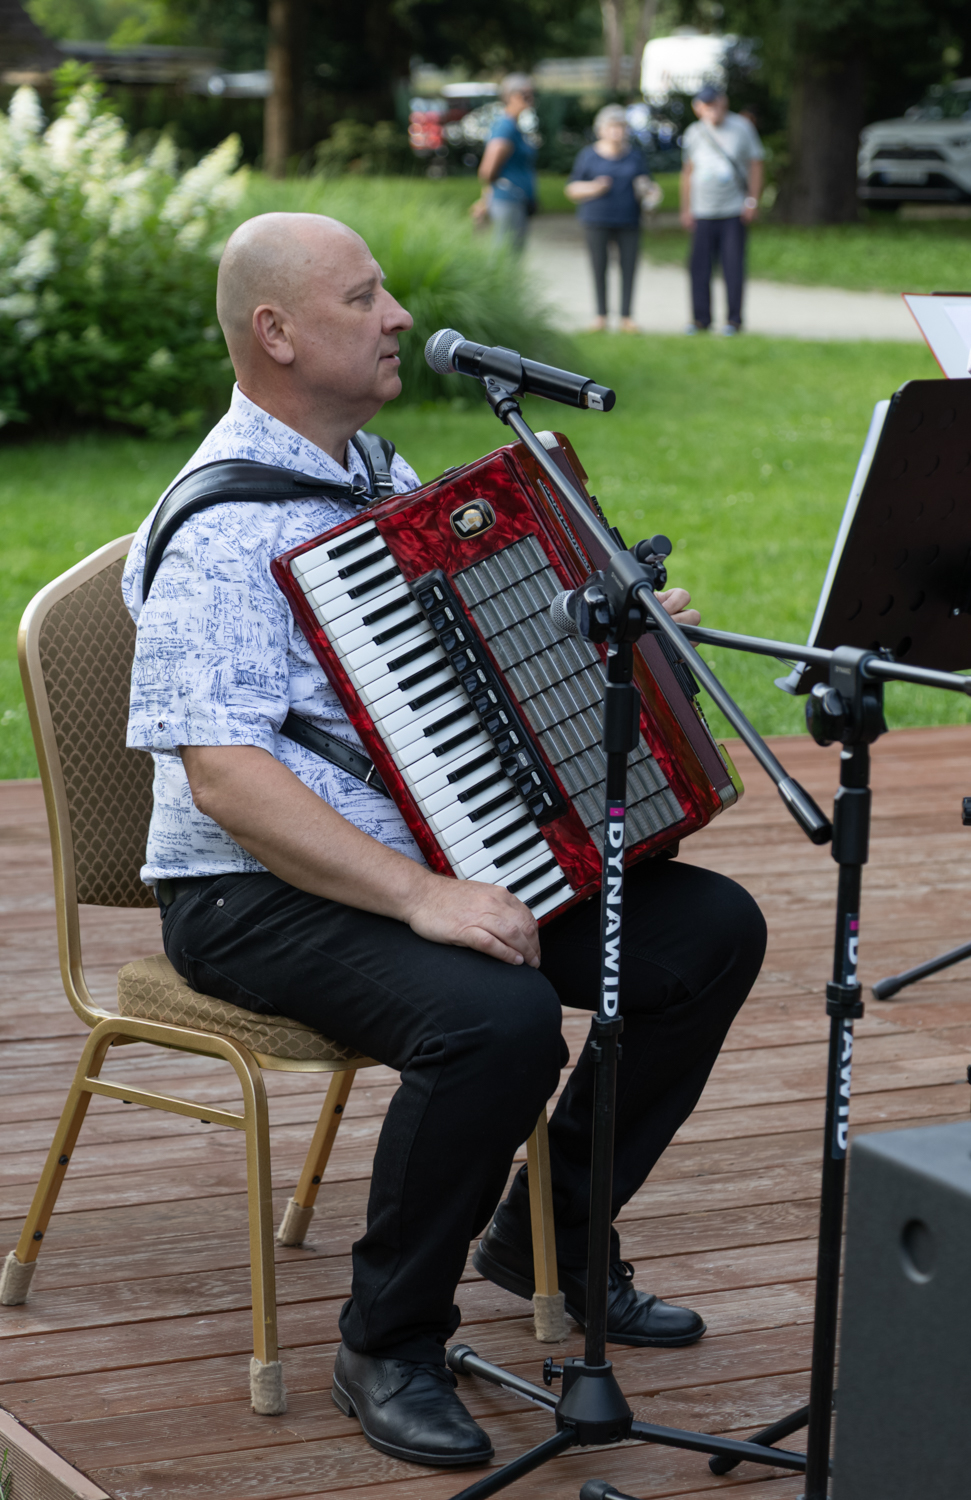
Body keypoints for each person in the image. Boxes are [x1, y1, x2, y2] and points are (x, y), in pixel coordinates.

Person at [121, 211, 767, 1470]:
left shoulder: (371, 472)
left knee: (705, 933)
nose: (399, 317)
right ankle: (388, 1341)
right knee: (494, 1018)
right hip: (248, 890)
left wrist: (615, 639)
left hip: (436, 848)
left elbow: (454, 663)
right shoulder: (219, 531)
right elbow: (228, 778)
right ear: (277, 332)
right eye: (363, 297)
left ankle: (547, 1232)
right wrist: (422, 896)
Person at [565, 104, 662, 333]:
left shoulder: (635, 156)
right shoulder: (588, 156)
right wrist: (594, 187)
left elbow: (646, 183)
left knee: (629, 267)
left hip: (629, 219)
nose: (616, 131)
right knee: (599, 267)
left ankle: (627, 317)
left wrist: (650, 191)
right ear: (601, 130)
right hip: (596, 219)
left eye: (621, 126)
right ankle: (601, 316)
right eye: (611, 127)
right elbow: (571, 189)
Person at [680, 83, 764, 335]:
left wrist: (752, 200)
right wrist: (686, 208)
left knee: (733, 266)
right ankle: (700, 319)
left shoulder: (742, 127)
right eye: (706, 105)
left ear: (723, 102)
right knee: (699, 268)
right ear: (697, 108)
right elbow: (688, 172)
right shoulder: (694, 132)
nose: (711, 109)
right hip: (702, 211)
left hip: (733, 210)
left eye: (715, 103)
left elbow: (756, 164)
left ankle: (734, 320)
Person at [472, 73, 537, 252]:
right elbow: (487, 170)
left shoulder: (514, 125)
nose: (531, 99)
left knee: (514, 252)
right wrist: (487, 198)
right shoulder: (505, 126)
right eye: (526, 95)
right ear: (512, 96)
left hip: (516, 199)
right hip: (508, 199)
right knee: (506, 253)